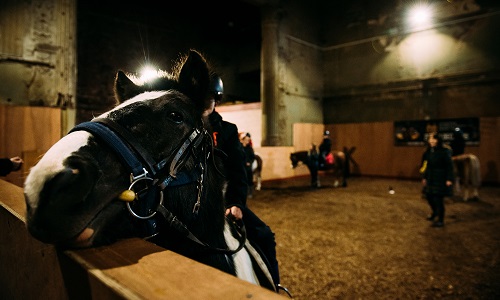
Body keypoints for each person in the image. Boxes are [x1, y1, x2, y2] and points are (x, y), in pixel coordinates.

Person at [204, 74, 288, 295]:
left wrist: (235, 203)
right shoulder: (182, 127)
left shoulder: (227, 130)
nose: (203, 103)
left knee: (264, 236)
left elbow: (238, 173)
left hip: (223, 200)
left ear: (217, 100)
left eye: (209, 98)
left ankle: (273, 288)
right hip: (194, 199)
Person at [420, 132, 455, 228]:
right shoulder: (428, 152)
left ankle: (440, 220)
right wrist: (424, 177)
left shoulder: (445, 151)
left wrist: (449, 179)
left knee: (438, 199)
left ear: (438, 140)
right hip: (430, 177)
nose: (431, 141)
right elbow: (426, 166)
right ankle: (435, 212)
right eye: (430, 139)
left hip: (441, 178)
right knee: (429, 196)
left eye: (433, 139)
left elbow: (449, 166)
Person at [239, 132, 255, 198]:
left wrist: (249, 162)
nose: (247, 141)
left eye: (248, 140)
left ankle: (250, 192)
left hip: (248, 167)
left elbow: (252, 157)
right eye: (246, 140)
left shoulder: (249, 148)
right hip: (241, 166)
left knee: (249, 179)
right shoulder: (239, 148)